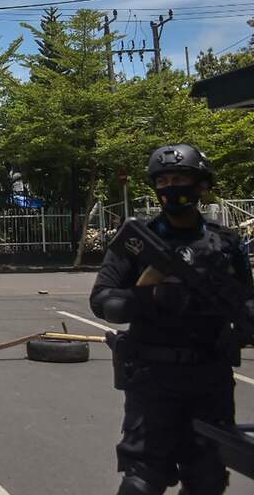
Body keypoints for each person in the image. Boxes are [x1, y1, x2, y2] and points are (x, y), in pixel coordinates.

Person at [90, 144, 253, 495]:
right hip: (153, 378)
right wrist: (149, 297)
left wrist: (245, 323)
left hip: (210, 377)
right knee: (142, 479)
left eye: (179, 178)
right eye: (163, 181)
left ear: (202, 185)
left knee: (207, 479)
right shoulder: (139, 240)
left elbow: (245, 298)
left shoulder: (225, 244)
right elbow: (102, 300)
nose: (170, 188)